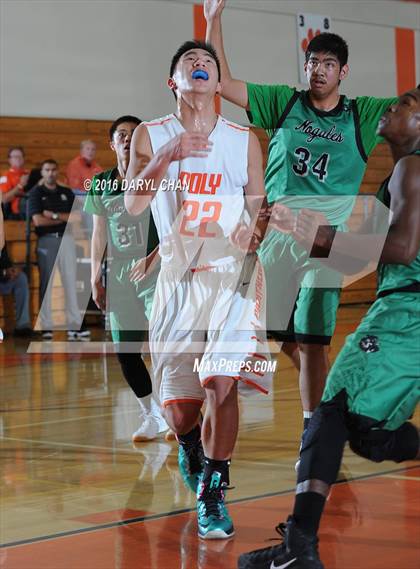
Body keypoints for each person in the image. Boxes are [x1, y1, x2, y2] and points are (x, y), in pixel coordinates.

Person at [237, 87, 420, 569]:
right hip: (406, 310)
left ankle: (299, 545)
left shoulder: (412, 168)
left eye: (406, 104)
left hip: (407, 313)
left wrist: (326, 237)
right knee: (368, 435)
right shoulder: (403, 172)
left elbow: (401, 250)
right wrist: (318, 239)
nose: (393, 107)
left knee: (329, 412)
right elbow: (377, 245)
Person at [205, 0, 398, 451]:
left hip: (322, 243)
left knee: (312, 339)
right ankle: (332, 405)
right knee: (275, 331)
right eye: (312, 62)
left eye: (328, 63)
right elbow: (224, 84)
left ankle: (315, 430)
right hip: (273, 237)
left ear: (343, 72)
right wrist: (214, 19)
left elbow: (410, 109)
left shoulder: (362, 114)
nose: (318, 70)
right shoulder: (285, 102)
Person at [125, 40, 272, 539]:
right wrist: (165, 156)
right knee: (183, 409)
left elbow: (258, 207)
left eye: (207, 60)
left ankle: (213, 492)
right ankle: (190, 447)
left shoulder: (243, 136)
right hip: (177, 278)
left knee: (221, 381)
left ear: (217, 79)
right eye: (189, 62)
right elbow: (131, 205)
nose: (200, 64)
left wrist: (252, 230)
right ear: (174, 82)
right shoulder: (152, 133)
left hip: (233, 273)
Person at [84, 115, 169, 442]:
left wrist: (156, 258)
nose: (127, 139)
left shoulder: (158, 178)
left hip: (154, 270)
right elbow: (98, 233)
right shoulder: (101, 183)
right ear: (112, 143)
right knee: (126, 350)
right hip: (119, 275)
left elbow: (172, 225)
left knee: (164, 347)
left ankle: (180, 411)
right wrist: (95, 275)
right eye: (121, 134)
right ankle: (151, 415)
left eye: (133, 134)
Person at [28, 159, 89, 340]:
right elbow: (38, 220)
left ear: (58, 171)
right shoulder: (36, 193)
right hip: (46, 241)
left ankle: (74, 326)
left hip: (67, 240)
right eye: (47, 170)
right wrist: (64, 218)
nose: (51, 173)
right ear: (43, 172)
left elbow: (77, 217)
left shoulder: (66, 192)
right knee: (46, 283)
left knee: (71, 282)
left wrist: (53, 215)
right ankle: (46, 326)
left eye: (54, 169)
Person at [0, 243, 34, 337]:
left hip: (3, 278)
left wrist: (11, 269)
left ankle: (22, 326)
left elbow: (4, 259)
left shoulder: (1, 236)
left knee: (21, 278)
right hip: (2, 275)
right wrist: (3, 272)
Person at [0, 147, 29, 219]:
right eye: (15, 157)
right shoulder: (5, 177)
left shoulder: (29, 174)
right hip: (17, 213)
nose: (18, 159)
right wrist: (20, 185)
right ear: (9, 160)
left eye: (20, 156)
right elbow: (4, 199)